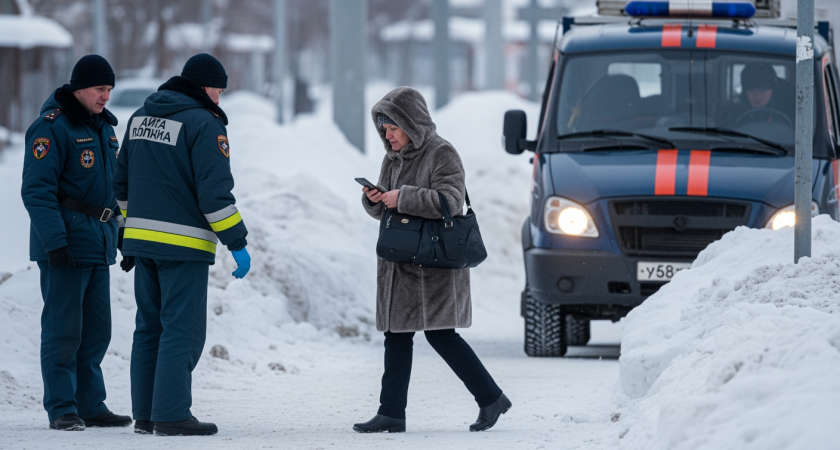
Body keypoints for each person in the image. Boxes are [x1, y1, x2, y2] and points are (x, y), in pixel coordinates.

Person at [354, 87, 511, 433]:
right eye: (384, 129)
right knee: (396, 334)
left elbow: (451, 202)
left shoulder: (442, 153)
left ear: (411, 124)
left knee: (441, 335)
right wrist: (376, 199)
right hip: (399, 261)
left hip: (433, 263)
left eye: (393, 127)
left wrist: (403, 197)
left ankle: (491, 398)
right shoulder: (392, 159)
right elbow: (388, 207)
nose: (387, 135)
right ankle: (391, 412)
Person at [113, 53, 251, 437]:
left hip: (142, 244)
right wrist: (237, 241)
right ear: (204, 87)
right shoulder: (204, 124)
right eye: (218, 91)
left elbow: (120, 183)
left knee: (149, 328)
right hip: (183, 245)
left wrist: (127, 234)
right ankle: (172, 415)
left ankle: (146, 414)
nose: (219, 100)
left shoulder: (140, 117)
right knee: (181, 331)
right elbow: (215, 194)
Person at [21, 55, 133, 431]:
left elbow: (110, 194)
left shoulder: (104, 128)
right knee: (63, 330)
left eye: (110, 90)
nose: (106, 96)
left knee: (97, 332)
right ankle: (62, 407)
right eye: (100, 89)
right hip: (64, 246)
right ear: (79, 88)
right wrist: (55, 242)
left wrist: (122, 239)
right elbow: (38, 191)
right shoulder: (51, 128)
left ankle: (90, 404)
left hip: (96, 243)